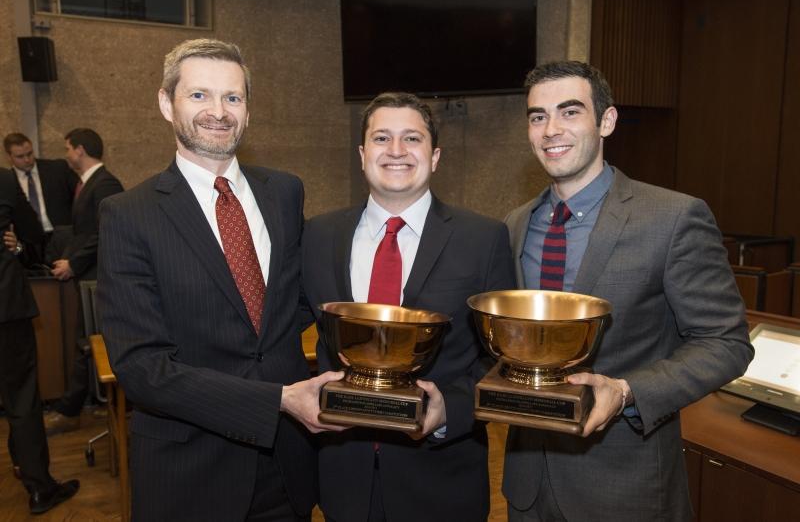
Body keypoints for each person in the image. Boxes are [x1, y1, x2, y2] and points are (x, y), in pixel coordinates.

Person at [96, 38, 344, 521]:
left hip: (289, 467)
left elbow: (289, 307)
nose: (219, 111)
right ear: (166, 103)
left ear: (248, 111)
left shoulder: (285, 192)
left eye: (233, 97)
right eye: (199, 96)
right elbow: (141, 368)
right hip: (190, 472)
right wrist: (276, 399)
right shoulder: (128, 214)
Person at [502, 60, 754, 522]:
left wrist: (626, 390)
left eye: (570, 111)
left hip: (625, 488)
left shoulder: (673, 218)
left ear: (607, 120)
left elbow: (726, 343)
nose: (551, 129)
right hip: (527, 485)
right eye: (538, 116)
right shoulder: (515, 225)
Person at [302, 92, 516, 522]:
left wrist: (447, 413)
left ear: (434, 156)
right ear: (363, 154)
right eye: (382, 138)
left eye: (412, 139)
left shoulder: (483, 238)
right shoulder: (316, 235)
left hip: (443, 479)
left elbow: (504, 360)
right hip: (345, 478)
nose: (396, 151)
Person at [0, 169, 80, 514]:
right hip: (4, 305)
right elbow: (33, 231)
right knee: (21, 396)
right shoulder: (3, 179)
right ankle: (38, 486)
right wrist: (16, 244)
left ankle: (22, 464)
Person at [44, 128, 124, 435]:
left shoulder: (106, 184)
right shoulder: (87, 185)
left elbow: (106, 232)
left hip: (98, 278)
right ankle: (72, 407)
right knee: (85, 341)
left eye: (68, 148)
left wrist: (74, 262)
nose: (66, 155)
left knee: (89, 343)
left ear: (80, 150)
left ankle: (70, 409)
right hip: (87, 277)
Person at [3, 132, 79, 261]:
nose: (27, 159)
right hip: (29, 246)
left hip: (62, 238)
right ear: (9, 157)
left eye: (29, 153)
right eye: (20, 156)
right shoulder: (7, 182)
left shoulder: (57, 168)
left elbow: (80, 195)